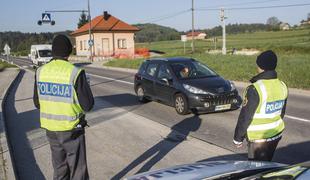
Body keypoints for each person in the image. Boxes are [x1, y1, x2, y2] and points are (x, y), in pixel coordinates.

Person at [33, 34, 94, 180]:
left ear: (53, 51)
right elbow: (88, 105)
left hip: (51, 130)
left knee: (59, 169)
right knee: (77, 171)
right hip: (72, 129)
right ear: (68, 52)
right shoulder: (75, 72)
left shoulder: (40, 72)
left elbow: (37, 102)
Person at [233, 50, 288, 161]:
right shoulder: (282, 85)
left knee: (256, 169)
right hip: (275, 134)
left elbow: (246, 116)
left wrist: (238, 138)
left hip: (258, 138)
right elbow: (282, 112)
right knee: (266, 165)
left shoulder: (255, 88)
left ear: (261, 66)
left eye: (257, 64)